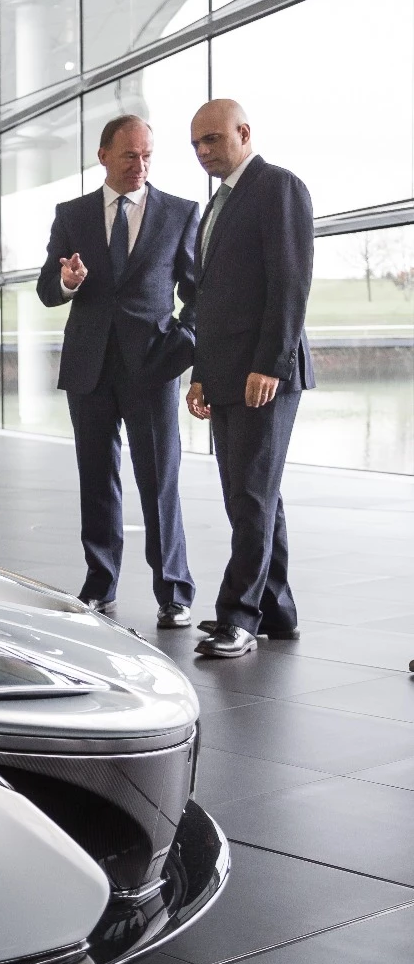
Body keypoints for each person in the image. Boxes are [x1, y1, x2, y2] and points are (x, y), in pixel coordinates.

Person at [36, 114, 200, 630]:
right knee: (97, 479)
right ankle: (100, 586)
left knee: (159, 480)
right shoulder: (72, 214)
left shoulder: (181, 212)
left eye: (148, 155)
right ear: (103, 155)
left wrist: (183, 343)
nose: (140, 165)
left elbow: (198, 293)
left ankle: (173, 590)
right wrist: (67, 281)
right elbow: (46, 289)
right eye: (130, 155)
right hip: (89, 367)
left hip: (154, 366)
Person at [185, 100, 314, 659]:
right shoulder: (218, 204)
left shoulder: (278, 187)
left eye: (212, 139)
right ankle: (276, 612)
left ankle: (238, 616)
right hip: (226, 373)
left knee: (251, 495)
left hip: (265, 373)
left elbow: (290, 283)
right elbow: (209, 301)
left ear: (243, 132)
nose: (203, 151)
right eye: (196, 144)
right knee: (254, 494)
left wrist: (271, 364)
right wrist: (200, 374)